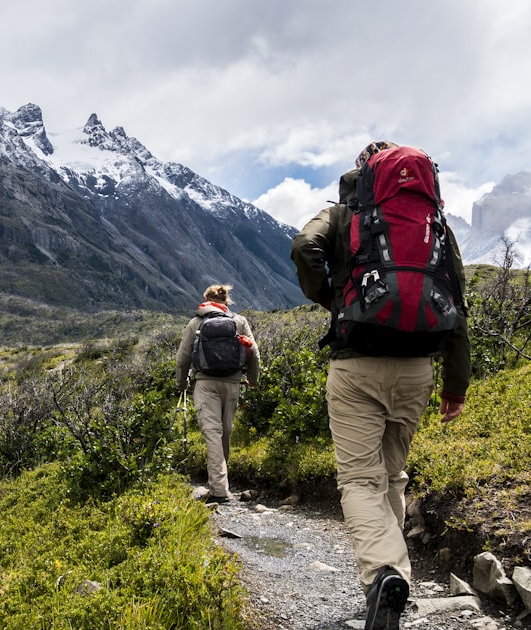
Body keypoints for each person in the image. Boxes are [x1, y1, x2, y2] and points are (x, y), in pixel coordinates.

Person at [290, 141, 471, 630]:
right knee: (392, 474)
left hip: (358, 363)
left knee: (357, 479)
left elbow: (303, 248)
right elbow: (454, 299)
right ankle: (397, 575)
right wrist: (457, 382)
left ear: (364, 172)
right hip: (419, 368)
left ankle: (384, 574)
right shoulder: (435, 223)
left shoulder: (345, 213)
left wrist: (332, 298)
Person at [175, 284, 261, 504]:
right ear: (226, 301)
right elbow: (254, 353)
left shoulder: (196, 322)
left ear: (206, 300)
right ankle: (221, 484)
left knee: (212, 433)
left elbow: (183, 357)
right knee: (225, 432)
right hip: (232, 384)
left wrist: (182, 382)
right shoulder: (239, 321)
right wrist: (252, 379)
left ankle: (219, 490)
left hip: (206, 384)